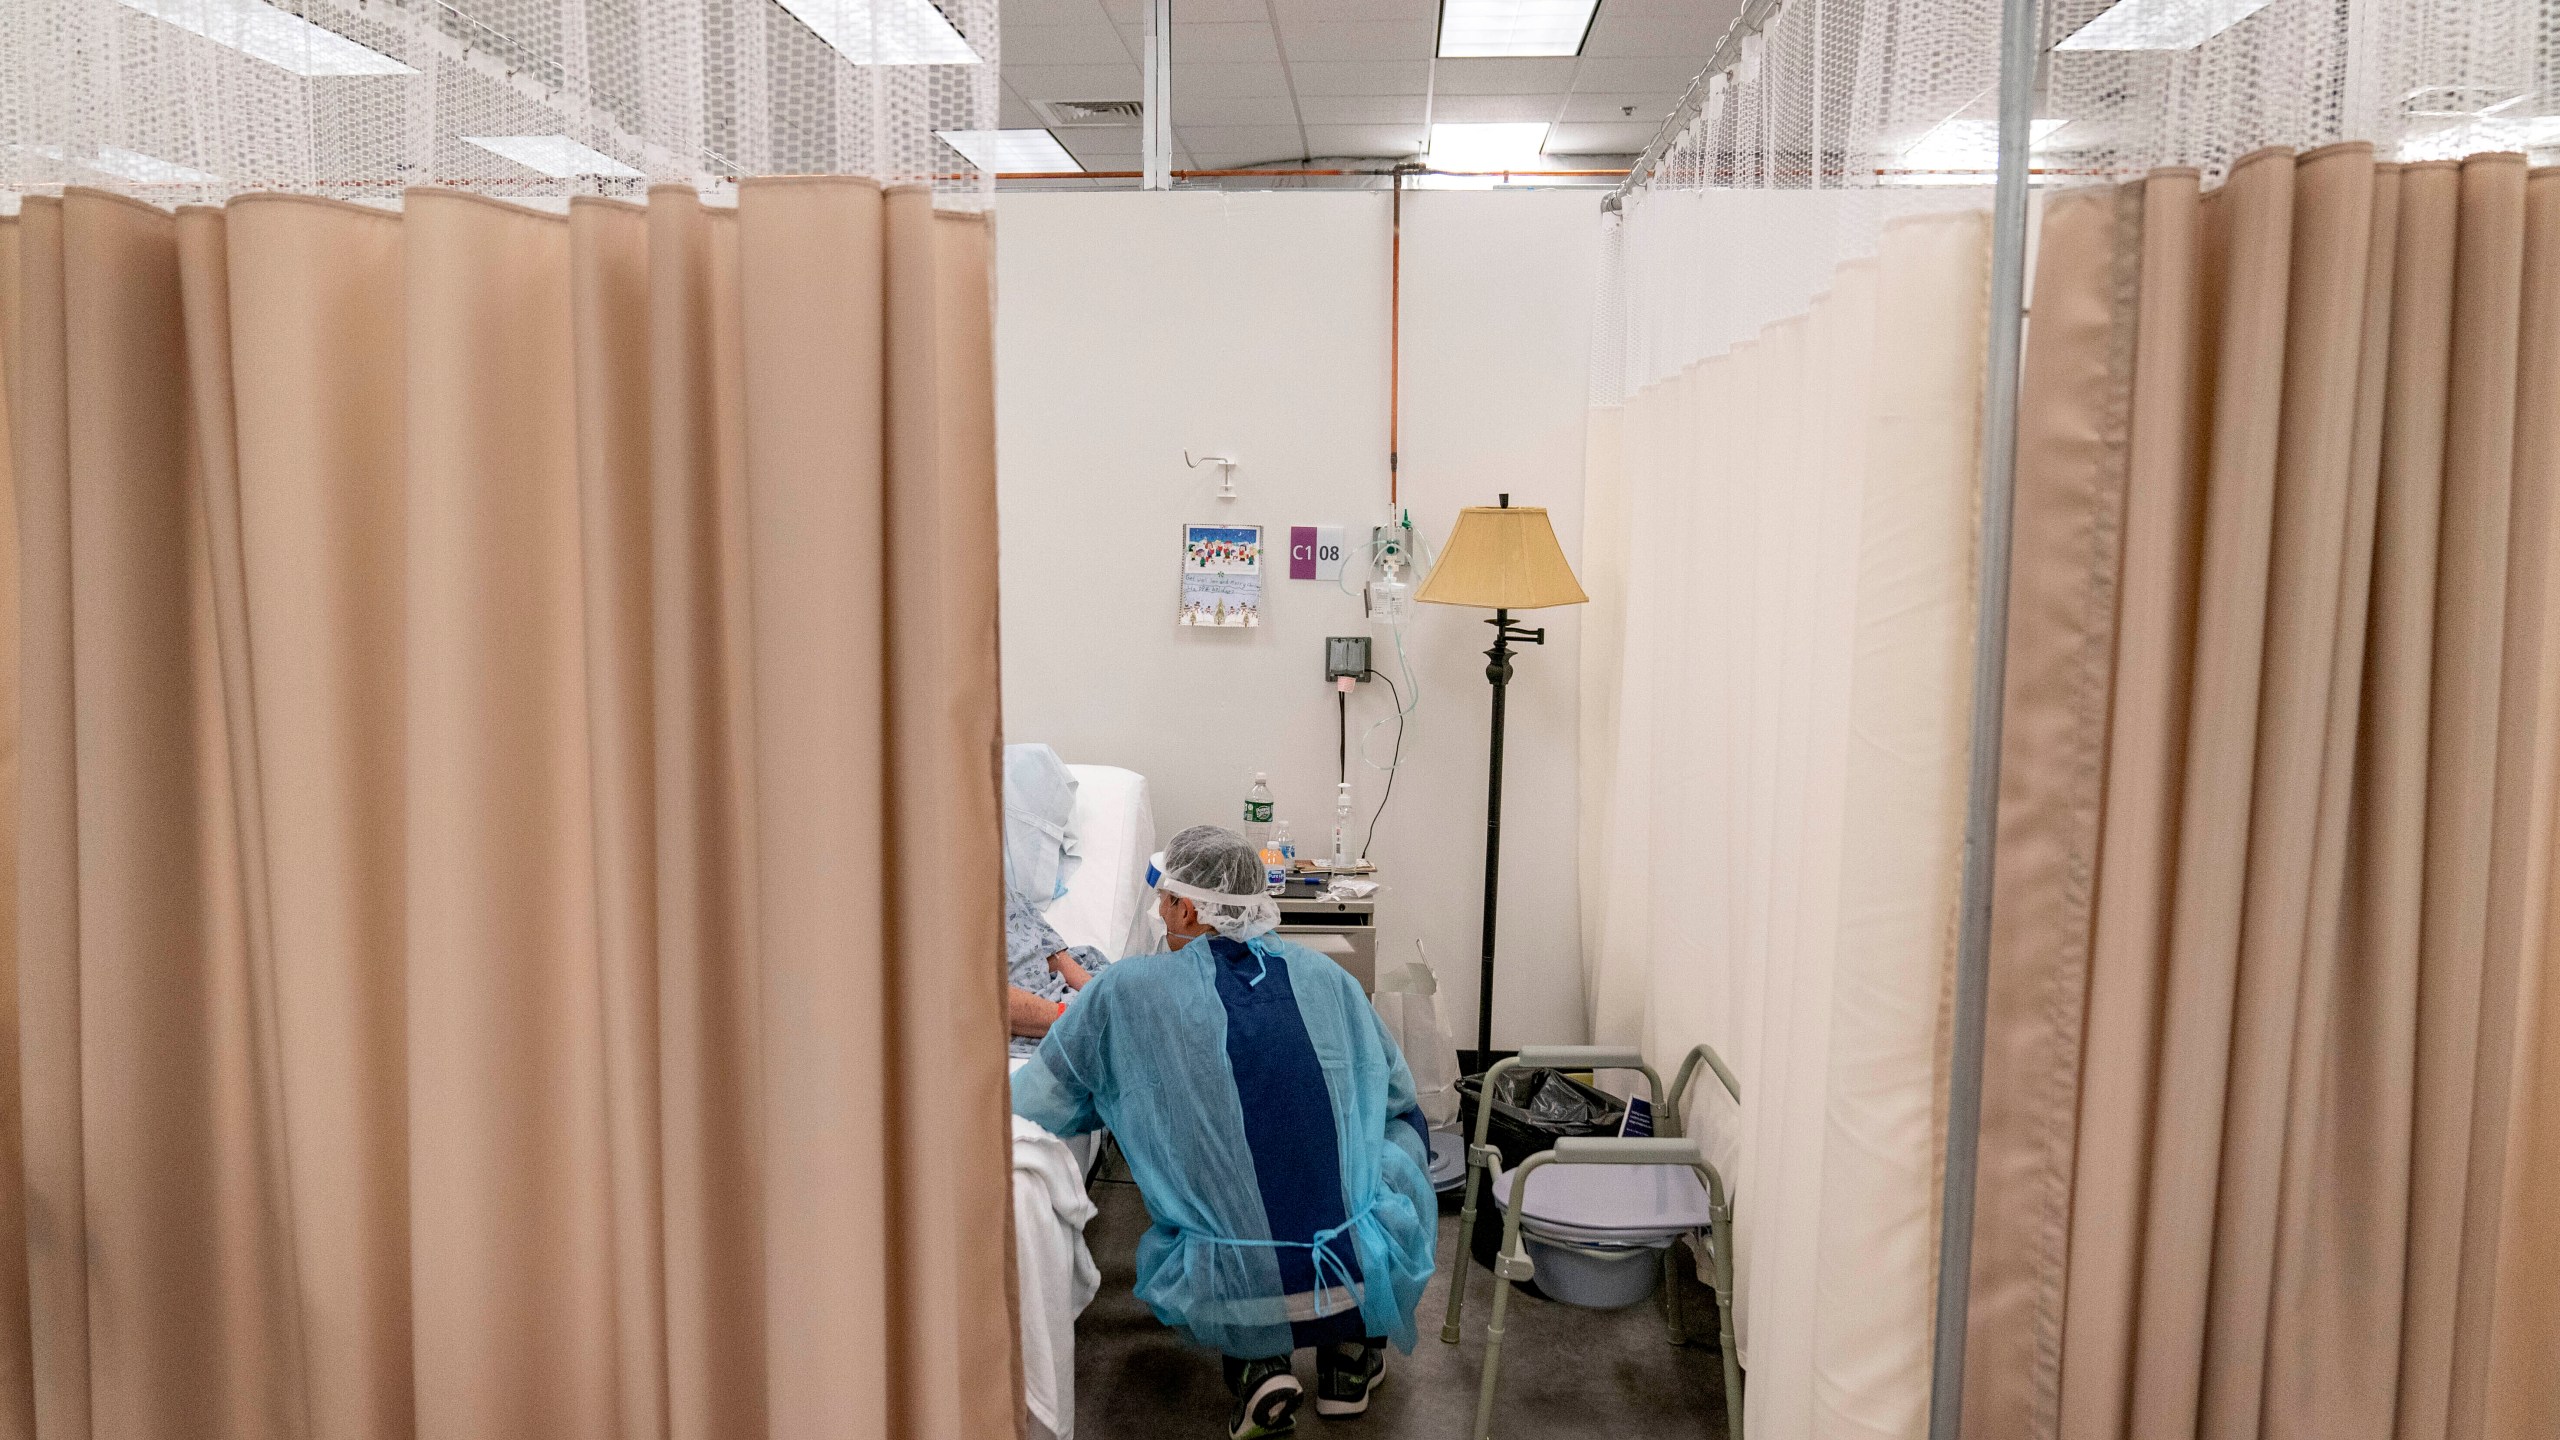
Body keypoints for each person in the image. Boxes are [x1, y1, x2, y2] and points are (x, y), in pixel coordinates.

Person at [1013, 825, 1437, 1440]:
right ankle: (1350, 1356)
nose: (1160, 912)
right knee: (1396, 1138)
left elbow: (1042, 1102)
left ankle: (1257, 1365)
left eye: (1163, 901)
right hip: (1360, 1263)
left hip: (1226, 1283)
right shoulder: (1331, 981)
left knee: (1218, 1185)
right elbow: (1398, 1096)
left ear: (1185, 908)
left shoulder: (1122, 993)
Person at [1004, 745, 1111, 1055]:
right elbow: (971, 997)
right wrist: (1077, 1018)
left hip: (1061, 997)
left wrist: (1099, 997)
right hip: (1034, 1016)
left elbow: (1050, 948)